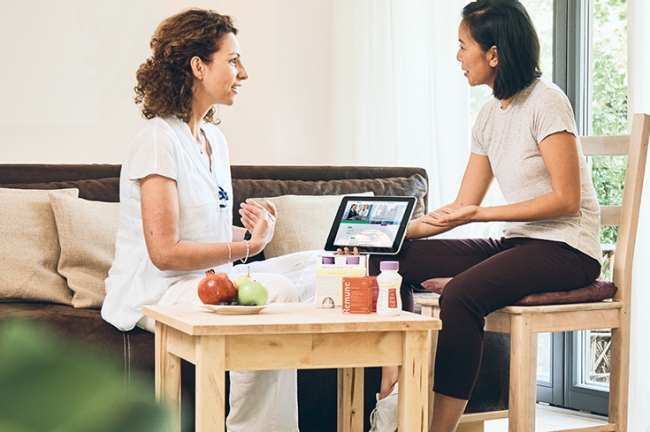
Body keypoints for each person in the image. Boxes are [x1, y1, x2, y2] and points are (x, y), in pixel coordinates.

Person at [365, 1, 602, 431]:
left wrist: (482, 213)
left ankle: (438, 429)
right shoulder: (490, 114)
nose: (458, 57)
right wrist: (398, 234)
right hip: (520, 244)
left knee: (462, 296)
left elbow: (567, 200)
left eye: (462, 46)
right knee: (389, 261)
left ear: (493, 53)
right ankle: (392, 384)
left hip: (568, 249)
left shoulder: (547, 101)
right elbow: (462, 205)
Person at [101, 9, 319, 432]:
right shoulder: (157, 141)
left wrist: (254, 231)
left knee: (319, 265)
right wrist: (248, 248)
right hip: (160, 292)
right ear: (198, 67)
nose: (245, 72)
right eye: (234, 60)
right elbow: (165, 252)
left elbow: (207, 229)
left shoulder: (213, 140)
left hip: (208, 280)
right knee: (278, 291)